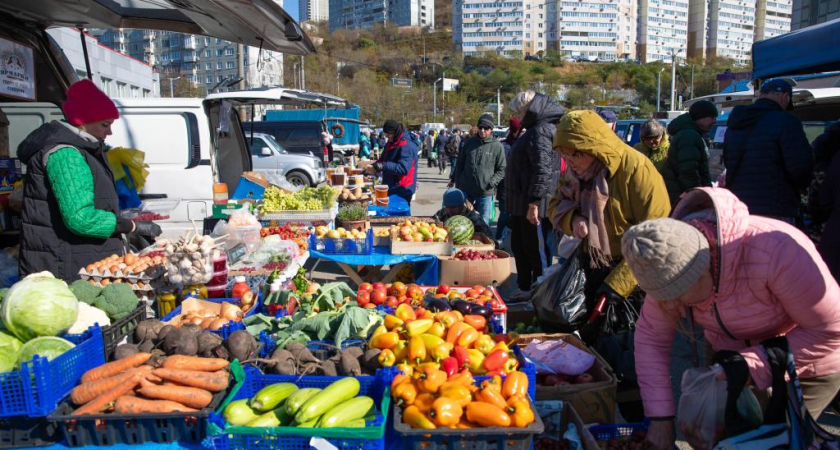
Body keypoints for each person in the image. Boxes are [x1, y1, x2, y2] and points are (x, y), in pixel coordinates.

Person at [622, 187, 840, 450]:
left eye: (678, 294)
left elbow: (831, 330)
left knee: (776, 442)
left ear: (705, 270)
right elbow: (651, 340)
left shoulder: (777, 251)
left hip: (807, 363)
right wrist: (660, 419)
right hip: (731, 361)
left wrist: (749, 364)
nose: (671, 304)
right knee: (725, 439)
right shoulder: (664, 263)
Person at [18, 79, 162, 282]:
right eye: (105, 124)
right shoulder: (66, 154)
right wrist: (129, 226)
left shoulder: (82, 150)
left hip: (75, 259)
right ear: (81, 121)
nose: (109, 132)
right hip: (64, 265)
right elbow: (80, 218)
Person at [550, 109, 671, 310]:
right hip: (590, 264)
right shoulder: (576, 171)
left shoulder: (637, 169)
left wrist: (618, 285)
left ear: (591, 148)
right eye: (564, 156)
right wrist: (573, 220)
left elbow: (656, 233)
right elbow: (555, 205)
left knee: (625, 338)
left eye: (572, 156)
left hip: (632, 273)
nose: (569, 163)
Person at [723, 79, 814, 225]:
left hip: (739, 209)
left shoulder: (736, 123)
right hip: (776, 208)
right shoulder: (786, 121)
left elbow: (728, 161)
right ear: (785, 97)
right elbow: (800, 167)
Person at [506, 91, 565, 300]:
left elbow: (543, 170)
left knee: (538, 253)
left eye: (519, 111)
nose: (517, 115)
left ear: (528, 108)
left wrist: (534, 203)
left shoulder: (541, 130)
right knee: (521, 248)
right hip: (522, 203)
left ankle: (541, 294)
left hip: (535, 204)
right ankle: (525, 288)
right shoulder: (533, 129)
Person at [449, 114, 506, 227]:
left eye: (486, 128)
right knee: (463, 220)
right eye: (480, 127)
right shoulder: (469, 143)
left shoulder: (497, 146)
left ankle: (481, 243)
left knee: (482, 222)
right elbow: (460, 164)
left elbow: (502, 169)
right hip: (466, 190)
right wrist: (457, 182)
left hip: (485, 192)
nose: (483, 130)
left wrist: (491, 182)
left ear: (491, 129)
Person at [662, 100, 718, 206]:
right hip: (685, 198)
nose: (714, 121)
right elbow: (689, 172)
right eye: (711, 117)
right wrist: (697, 199)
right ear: (699, 117)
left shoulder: (691, 134)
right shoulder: (689, 136)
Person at [366, 119, 418, 205]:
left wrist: (383, 166)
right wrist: (373, 167)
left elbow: (404, 168)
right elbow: (383, 160)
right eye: (386, 135)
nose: (387, 137)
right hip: (391, 185)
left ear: (395, 132)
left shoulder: (406, 144)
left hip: (402, 187)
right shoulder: (391, 141)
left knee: (399, 215)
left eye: (388, 135)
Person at [496, 117, 523, 246]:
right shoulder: (503, 146)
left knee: (517, 217)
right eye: (520, 130)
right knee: (504, 215)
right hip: (505, 187)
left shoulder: (526, 144)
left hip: (521, 189)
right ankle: (499, 238)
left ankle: (512, 240)